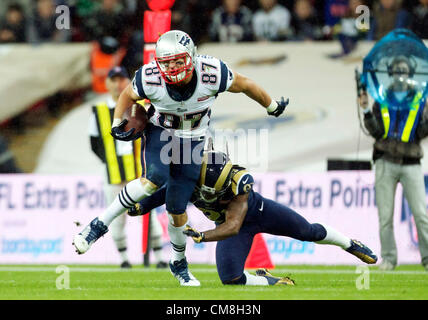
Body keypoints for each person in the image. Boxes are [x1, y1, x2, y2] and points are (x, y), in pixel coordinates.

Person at [73, 30, 289, 286]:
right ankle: (99, 225)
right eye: (167, 63)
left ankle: (179, 263)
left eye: (178, 61)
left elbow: (245, 84)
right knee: (154, 178)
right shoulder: (150, 77)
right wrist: (118, 121)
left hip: (193, 141)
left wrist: (271, 105)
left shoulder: (212, 72)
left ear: (192, 57)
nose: (172, 68)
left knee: (177, 209)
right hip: (161, 132)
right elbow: (127, 96)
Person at [128, 149, 378, 286]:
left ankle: (349, 243)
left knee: (307, 231)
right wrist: (141, 206)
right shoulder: (191, 179)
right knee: (230, 279)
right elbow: (165, 194)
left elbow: (233, 225)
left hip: (258, 214)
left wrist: (203, 236)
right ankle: (266, 280)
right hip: (228, 225)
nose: (223, 192)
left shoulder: (239, 182)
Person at [88, 66, 167, 269]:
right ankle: (124, 259)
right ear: (107, 83)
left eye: (121, 79)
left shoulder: (139, 107)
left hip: (138, 171)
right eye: (113, 80)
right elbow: (95, 144)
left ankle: (159, 257)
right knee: (116, 217)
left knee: (148, 213)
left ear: (127, 81)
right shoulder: (98, 111)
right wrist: (111, 161)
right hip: (113, 173)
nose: (117, 84)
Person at [358, 55, 428, 271]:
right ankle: (388, 259)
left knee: (421, 214)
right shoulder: (382, 100)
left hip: (411, 161)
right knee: (385, 216)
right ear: (391, 74)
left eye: (403, 71)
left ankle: (427, 259)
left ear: (410, 74)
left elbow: (422, 131)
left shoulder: (419, 101)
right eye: (396, 70)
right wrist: (366, 109)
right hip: (385, 161)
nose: (400, 75)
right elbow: (376, 131)